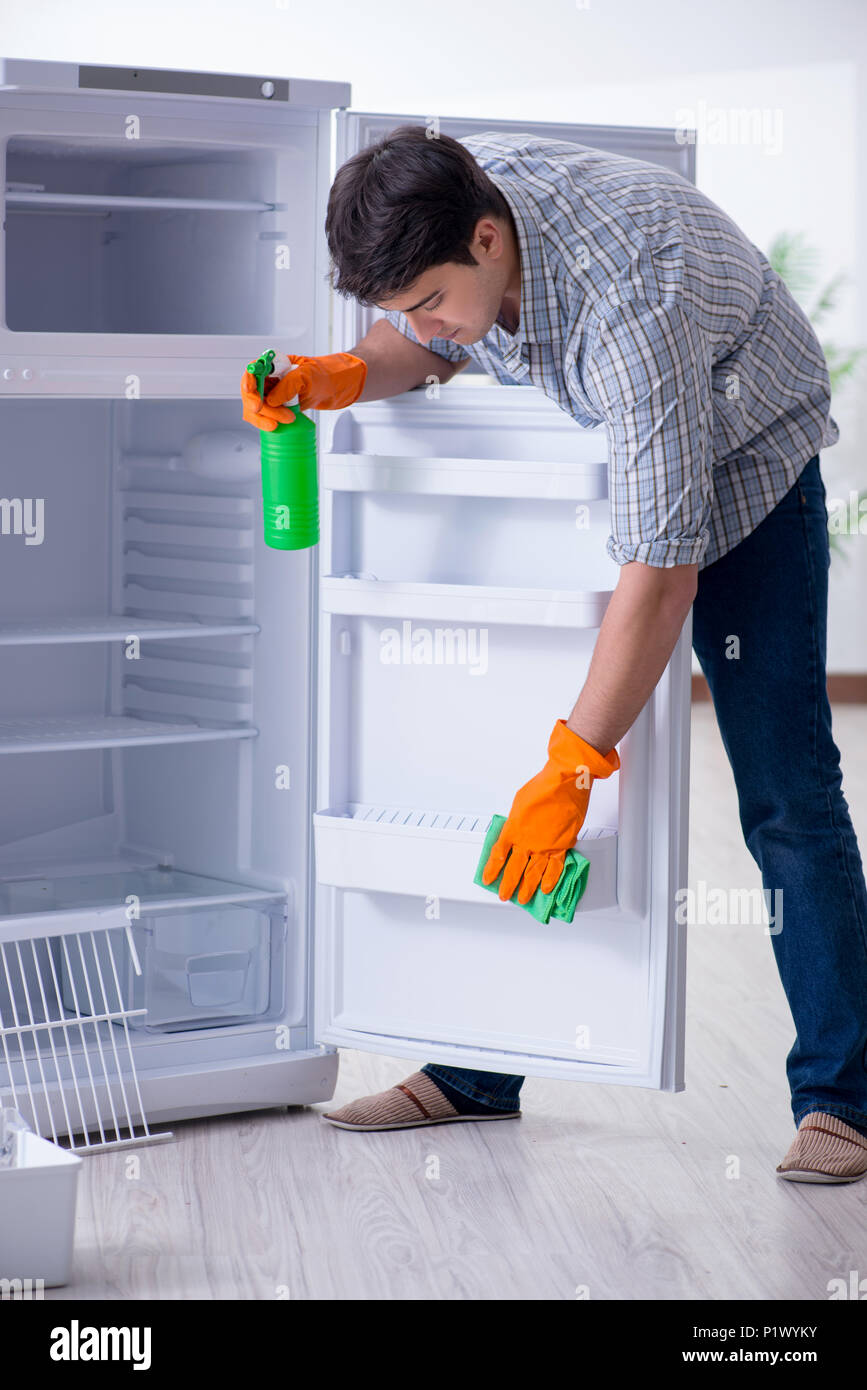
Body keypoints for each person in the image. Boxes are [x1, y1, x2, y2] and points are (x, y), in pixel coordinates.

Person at [241, 125, 867, 1183]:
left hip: (751, 458)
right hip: (629, 444)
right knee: (498, 760)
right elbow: (437, 344)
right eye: (397, 307)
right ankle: (475, 1074)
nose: (419, 323)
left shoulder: (637, 301)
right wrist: (341, 372)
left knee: (785, 791)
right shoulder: (454, 216)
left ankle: (844, 1099)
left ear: (490, 241)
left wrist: (579, 762)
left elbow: (662, 570)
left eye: (428, 298)